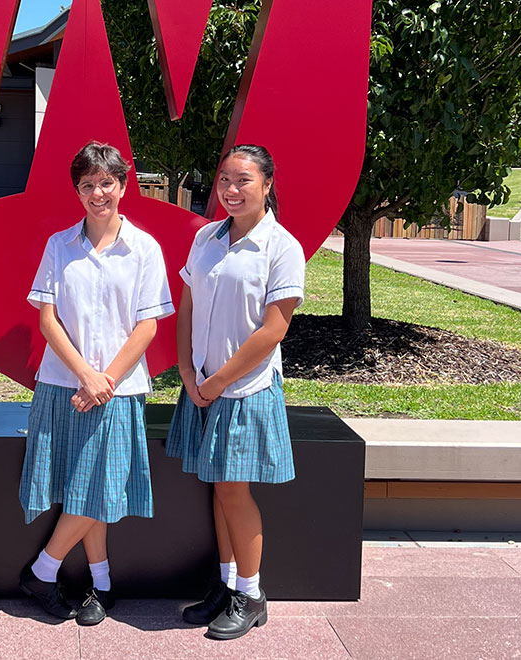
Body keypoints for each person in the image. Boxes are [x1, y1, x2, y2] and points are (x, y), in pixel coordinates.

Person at [18, 141, 174, 626]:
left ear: (124, 186)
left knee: (99, 487)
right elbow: (47, 318)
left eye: (107, 182)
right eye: (87, 185)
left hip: (120, 389)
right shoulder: (59, 245)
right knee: (84, 486)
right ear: (77, 191)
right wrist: (85, 374)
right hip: (64, 384)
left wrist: (105, 379)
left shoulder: (144, 248)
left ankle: (43, 571)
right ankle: (101, 583)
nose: (97, 193)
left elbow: (148, 325)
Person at [165, 144, 305, 640]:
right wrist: (185, 370)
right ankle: (226, 587)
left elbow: (273, 330)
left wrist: (218, 379)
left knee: (233, 491)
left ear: (267, 185)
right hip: (201, 384)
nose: (230, 189)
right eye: (224, 178)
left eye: (243, 180)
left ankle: (251, 594)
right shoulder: (205, 237)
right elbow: (186, 306)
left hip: (244, 388)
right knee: (217, 489)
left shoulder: (282, 247)